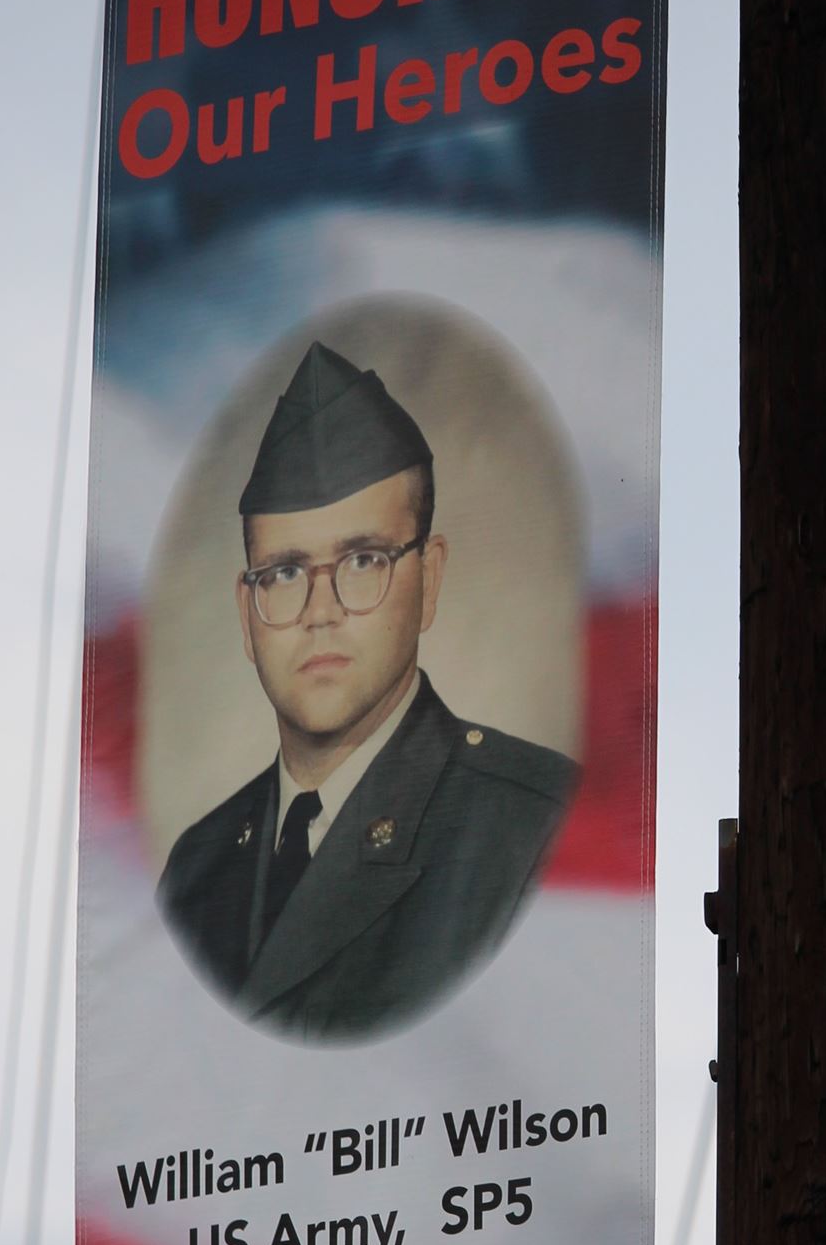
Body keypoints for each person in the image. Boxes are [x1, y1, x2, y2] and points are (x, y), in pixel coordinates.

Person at [157, 341, 578, 1039]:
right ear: (246, 612)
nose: (320, 611)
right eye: (284, 573)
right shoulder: (196, 871)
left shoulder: (527, 828)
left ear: (429, 579)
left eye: (362, 560)